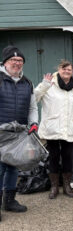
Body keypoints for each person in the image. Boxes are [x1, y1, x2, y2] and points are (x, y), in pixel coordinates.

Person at [35, 60, 73, 199]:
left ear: (72, 72)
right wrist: (44, 85)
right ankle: (54, 187)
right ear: (59, 70)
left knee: (68, 157)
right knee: (53, 157)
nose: (66, 71)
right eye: (64, 69)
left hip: (69, 129)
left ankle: (67, 186)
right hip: (52, 128)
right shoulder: (49, 84)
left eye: (69, 69)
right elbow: (35, 98)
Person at [0, 46, 38, 220]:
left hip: (19, 132)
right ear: (5, 62)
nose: (17, 64)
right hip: (1, 132)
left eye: (20, 61)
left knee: (13, 166)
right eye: (13, 61)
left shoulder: (27, 83)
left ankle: (9, 201)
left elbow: (32, 107)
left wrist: (34, 123)